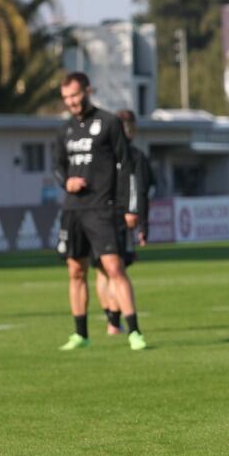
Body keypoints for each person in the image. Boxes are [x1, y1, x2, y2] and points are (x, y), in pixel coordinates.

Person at [53, 72, 147, 351]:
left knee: (114, 268)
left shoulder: (108, 123)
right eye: (66, 97)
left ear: (88, 91)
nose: (71, 102)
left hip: (102, 208)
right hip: (73, 210)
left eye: (75, 95)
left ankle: (134, 332)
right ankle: (80, 334)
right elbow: (57, 167)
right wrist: (66, 182)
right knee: (76, 271)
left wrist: (130, 207)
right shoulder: (65, 130)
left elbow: (127, 166)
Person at [95, 110, 153, 335]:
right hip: (118, 217)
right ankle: (114, 322)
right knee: (116, 271)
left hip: (96, 217)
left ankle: (111, 320)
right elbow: (142, 190)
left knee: (103, 271)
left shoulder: (100, 154)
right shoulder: (133, 156)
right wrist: (142, 224)